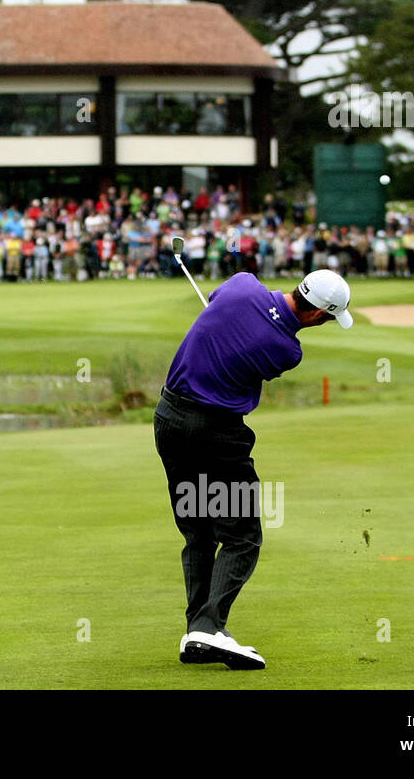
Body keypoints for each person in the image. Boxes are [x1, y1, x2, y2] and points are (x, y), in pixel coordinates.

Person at [155, 268, 353, 670]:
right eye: (329, 319)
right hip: (218, 437)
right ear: (317, 315)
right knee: (243, 536)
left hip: (169, 419)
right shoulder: (287, 350)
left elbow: (216, 301)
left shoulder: (243, 284)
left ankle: (197, 630)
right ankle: (209, 627)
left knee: (198, 528)